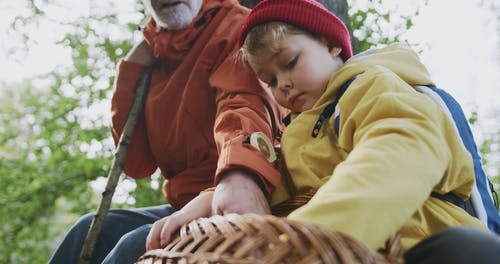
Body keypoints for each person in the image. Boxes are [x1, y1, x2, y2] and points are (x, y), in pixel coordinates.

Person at [236, 0, 500, 263]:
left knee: (466, 249)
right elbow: (271, 188)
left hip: (423, 243)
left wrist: (311, 241)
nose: (283, 83)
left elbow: (400, 153)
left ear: (330, 44)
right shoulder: (293, 137)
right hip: (353, 255)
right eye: (270, 80)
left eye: (290, 62)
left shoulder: (372, 86)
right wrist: (221, 194)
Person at [49, 0, 285, 263]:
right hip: (182, 204)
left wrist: (241, 174)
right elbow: (135, 163)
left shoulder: (236, 28)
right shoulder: (155, 54)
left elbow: (244, 106)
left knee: (135, 246)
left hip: (231, 191)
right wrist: (131, 70)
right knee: (87, 230)